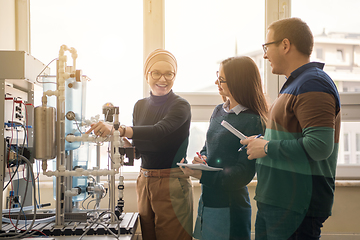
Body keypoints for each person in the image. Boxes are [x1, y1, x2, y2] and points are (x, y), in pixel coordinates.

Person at [241, 17, 341, 240]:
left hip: (294, 206)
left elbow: (319, 146)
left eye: (267, 47)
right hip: (277, 202)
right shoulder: (295, 84)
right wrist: (261, 141)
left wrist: (266, 148)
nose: (264, 55)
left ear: (285, 45)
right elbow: (291, 135)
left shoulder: (313, 84)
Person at [86, 49, 193, 240]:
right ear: (147, 75)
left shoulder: (180, 106)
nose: (163, 78)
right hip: (144, 181)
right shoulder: (140, 106)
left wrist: (118, 129)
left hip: (171, 182)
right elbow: (139, 151)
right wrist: (117, 139)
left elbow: (159, 131)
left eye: (169, 73)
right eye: (156, 73)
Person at [180, 56, 268, 240]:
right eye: (217, 76)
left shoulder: (253, 120)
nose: (216, 82)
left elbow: (242, 174)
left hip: (230, 205)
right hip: (209, 200)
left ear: (238, 82)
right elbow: (208, 148)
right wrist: (201, 160)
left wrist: (203, 175)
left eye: (221, 79)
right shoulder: (219, 110)